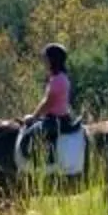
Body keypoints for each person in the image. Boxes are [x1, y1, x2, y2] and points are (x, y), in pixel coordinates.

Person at [28, 42, 79, 173]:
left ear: (52, 60)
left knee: (33, 135)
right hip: (56, 117)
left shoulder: (57, 80)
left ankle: (47, 164)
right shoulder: (58, 77)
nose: (44, 62)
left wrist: (33, 117)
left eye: (45, 59)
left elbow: (48, 103)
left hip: (55, 119)